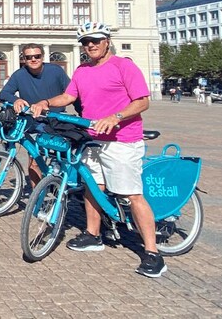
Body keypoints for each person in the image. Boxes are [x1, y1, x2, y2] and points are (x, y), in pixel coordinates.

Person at [31, 22, 165, 278]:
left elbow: (142, 101)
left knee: (131, 194)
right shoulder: (82, 70)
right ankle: (93, 235)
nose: (90, 45)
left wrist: (116, 117)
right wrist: (46, 102)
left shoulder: (124, 66)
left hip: (121, 139)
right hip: (91, 139)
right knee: (93, 188)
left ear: (106, 41)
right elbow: (69, 97)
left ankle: (152, 253)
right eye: (85, 42)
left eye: (95, 40)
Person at [0, 44, 72, 187]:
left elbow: (72, 93)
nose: (33, 59)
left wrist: (82, 112)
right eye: (28, 57)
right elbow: (4, 93)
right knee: (34, 159)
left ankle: (62, 186)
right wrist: (16, 99)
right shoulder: (19, 74)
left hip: (57, 119)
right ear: (24, 59)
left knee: (61, 156)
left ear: (42, 57)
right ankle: (37, 196)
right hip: (34, 121)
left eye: (37, 56)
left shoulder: (56, 71)